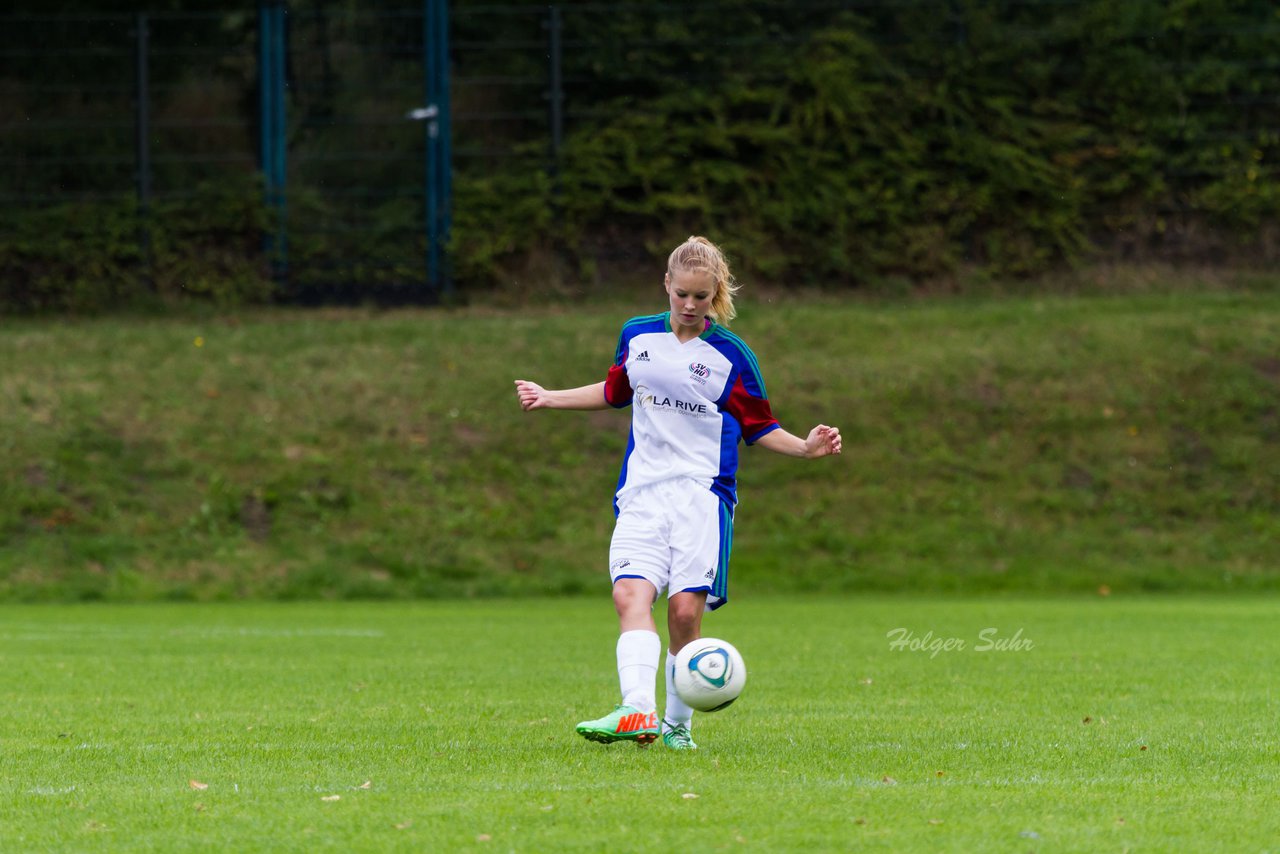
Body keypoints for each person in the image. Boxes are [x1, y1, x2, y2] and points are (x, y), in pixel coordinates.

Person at [514, 236, 842, 751]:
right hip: (642, 493)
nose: (689, 306)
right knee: (630, 595)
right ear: (666, 285)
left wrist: (805, 448)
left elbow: (759, 426)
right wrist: (548, 397)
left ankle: (676, 726)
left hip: (702, 498)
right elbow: (616, 392)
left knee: (685, 616)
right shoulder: (637, 335)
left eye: (701, 297)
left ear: (716, 295)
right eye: (681, 294)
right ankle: (636, 712)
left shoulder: (731, 356)